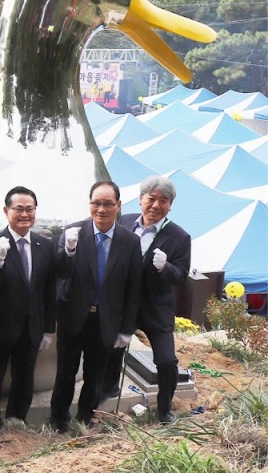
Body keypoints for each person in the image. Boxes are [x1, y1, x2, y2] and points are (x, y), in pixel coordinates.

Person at [49, 181, 142, 432]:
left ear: (118, 205)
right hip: (73, 315)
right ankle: (58, 419)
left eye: (107, 204)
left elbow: (133, 288)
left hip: (106, 318)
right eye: (96, 203)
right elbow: (60, 272)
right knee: (66, 371)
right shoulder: (73, 232)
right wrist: (68, 250)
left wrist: (127, 329)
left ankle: (85, 416)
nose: (101, 209)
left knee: (96, 373)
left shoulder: (130, 241)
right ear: (90, 204)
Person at [101, 176, 191, 425]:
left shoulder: (179, 236)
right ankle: (109, 388)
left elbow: (181, 275)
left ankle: (165, 408)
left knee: (166, 360)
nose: (156, 205)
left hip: (156, 307)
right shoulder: (124, 221)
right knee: (112, 348)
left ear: (170, 205)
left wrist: (165, 267)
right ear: (141, 199)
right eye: (151, 199)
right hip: (124, 303)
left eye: (164, 201)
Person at [0, 186, 57, 445]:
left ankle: (16, 424)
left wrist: (48, 328)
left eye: (29, 209)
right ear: (6, 211)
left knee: (24, 379)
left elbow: (48, 289)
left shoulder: (45, 245)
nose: (25, 214)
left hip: (31, 326)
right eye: (19, 209)